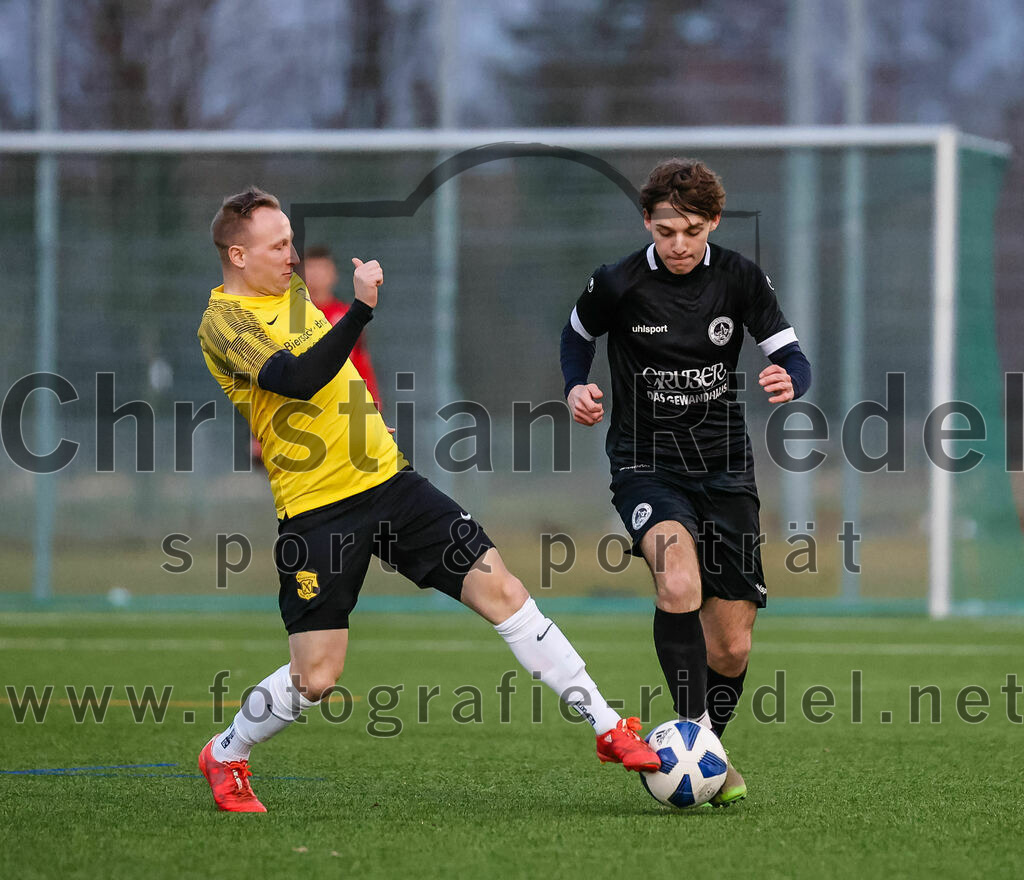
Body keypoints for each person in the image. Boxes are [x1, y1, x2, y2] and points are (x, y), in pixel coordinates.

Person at [195, 187, 660, 812]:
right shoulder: (223, 323)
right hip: (316, 511)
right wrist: (359, 311)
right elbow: (297, 379)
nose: (292, 254)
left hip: (391, 483)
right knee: (317, 676)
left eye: (291, 241)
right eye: (277, 245)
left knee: (505, 591)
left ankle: (607, 725)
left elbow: (335, 377)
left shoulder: (296, 294)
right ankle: (225, 752)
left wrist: (363, 422)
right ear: (236, 254)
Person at [559, 159, 811, 807]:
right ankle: (695, 744)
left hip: (725, 467)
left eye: (692, 231)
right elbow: (576, 334)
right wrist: (576, 385)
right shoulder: (617, 281)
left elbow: (789, 351)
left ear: (713, 224)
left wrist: (790, 379)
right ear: (648, 222)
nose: (678, 244)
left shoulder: (739, 279)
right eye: (666, 231)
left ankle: (705, 747)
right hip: (646, 463)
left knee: (731, 643)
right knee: (677, 579)